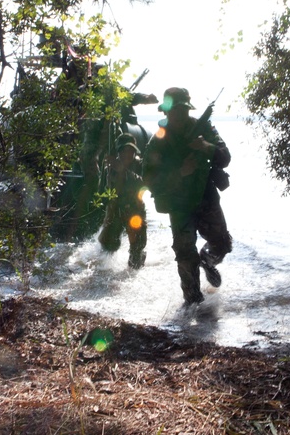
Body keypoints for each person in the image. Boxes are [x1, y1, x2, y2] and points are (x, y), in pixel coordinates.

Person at [142, 87, 232, 305]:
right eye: (174, 111)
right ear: (166, 112)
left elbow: (225, 157)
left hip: (206, 197)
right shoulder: (159, 140)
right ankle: (193, 303)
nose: (178, 116)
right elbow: (148, 177)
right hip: (178, 204)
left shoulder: (204, 129)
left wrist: (205, 146)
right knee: (184, 254)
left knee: (221, 245)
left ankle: (207, 261)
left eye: (182, 110)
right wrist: (179, 172)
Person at [98, 133, 147, 269]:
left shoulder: (140, 164)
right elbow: (102, 191)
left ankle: (136, 263)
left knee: (137, 249)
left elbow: (145, 184)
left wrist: (123, 171)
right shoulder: (109, 166)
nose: (127, 154)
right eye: (124, 150)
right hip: (115, 209)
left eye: (131, 150)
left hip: (135, 210)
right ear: (118, 151)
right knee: (107, 246)